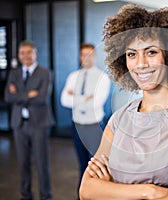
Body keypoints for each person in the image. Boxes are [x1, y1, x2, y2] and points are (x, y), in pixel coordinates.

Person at [79, 4, 168, 200]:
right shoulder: (119, 119)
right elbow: (86, 190)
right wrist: (149, 191)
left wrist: (111, 189)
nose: (141, 64)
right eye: (132, 54)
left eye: (151, 52)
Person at [4, 40, 54, 200]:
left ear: (35, 54)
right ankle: (26, 195)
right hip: (19, 124)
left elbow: (42, 98)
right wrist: (29, 94)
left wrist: (18, 94)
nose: (25, 56)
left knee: (41, 163)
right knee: (23, 162)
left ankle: (45, 196)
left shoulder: (45, 72)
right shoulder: (14, 73)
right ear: (18, 55)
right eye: (22, 53)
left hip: (39, 124)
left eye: (28, 52)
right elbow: (7, 97)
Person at [60, 43, 111, 193]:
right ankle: (82, 194)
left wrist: (75, 98)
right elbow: (64, 100)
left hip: (94, 126)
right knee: (82, 165)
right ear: (80, 56)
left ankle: (96, 195)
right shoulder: (73, 76)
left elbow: (97, 103)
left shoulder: (102, 77)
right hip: (77, 126)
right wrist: (85, 98)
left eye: (89, 54)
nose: (86, 58)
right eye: (83, 54)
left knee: (96, 167)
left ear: (94, 56)